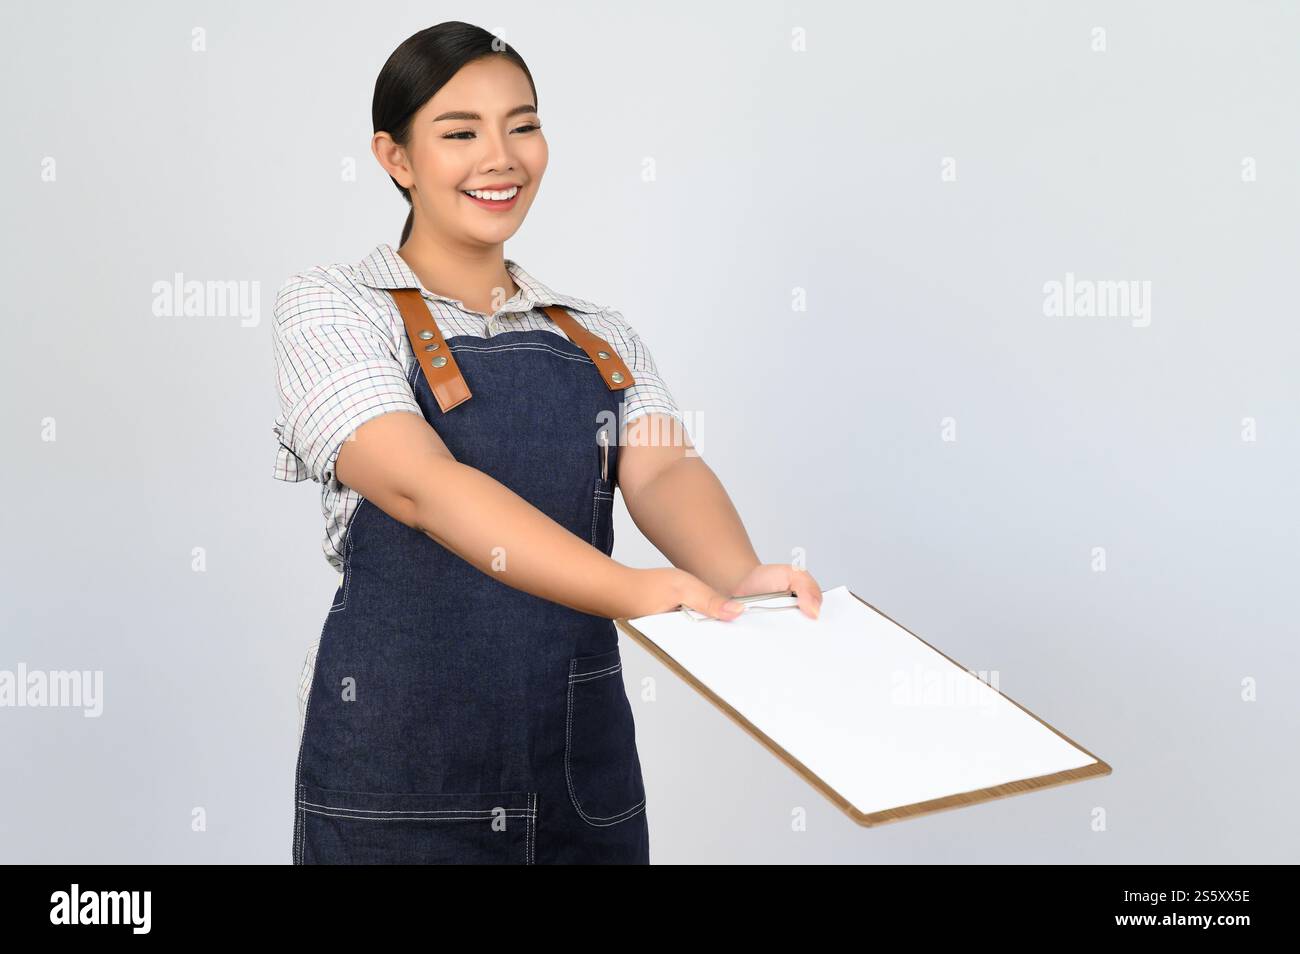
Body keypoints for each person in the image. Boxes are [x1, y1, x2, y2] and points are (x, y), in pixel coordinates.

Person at [271, 21, 823, 865]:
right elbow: (421, 485)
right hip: (400, 786)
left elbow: (665, 465)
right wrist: (628, 588)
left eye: (522, 125)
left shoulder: (598, 332)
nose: (502, 157)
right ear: (397, 158)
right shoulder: (333, 306)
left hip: (580, 777)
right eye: (461, 133)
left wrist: (734, 573)